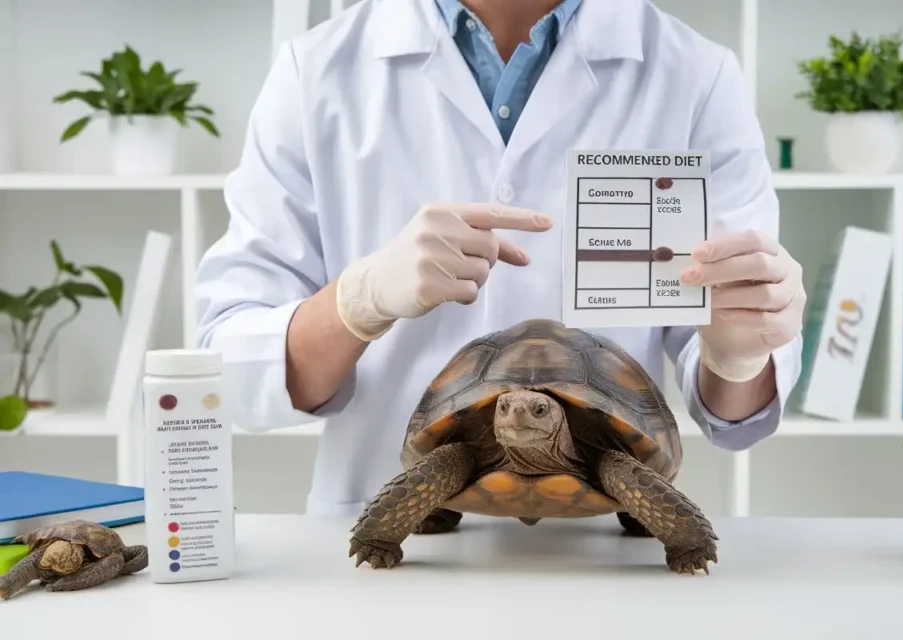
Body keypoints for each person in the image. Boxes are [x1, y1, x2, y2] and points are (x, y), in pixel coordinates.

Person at [194, 0, 807, 517]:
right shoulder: (318, 71)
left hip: (607, 562)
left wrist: (738, 354)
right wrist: (358, 300)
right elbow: (229, 371)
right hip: (397, 538)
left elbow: (737, 413)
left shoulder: (695, 76)